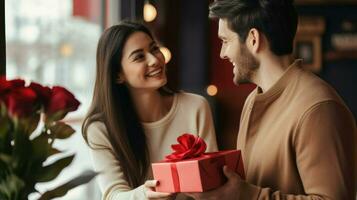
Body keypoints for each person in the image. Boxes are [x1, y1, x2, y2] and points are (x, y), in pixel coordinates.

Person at [187, 0, 357, 199]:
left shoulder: (318, 108)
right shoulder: (252, 100)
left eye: (225, 41)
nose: (223, 53)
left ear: (253, 39)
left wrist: (248, 196)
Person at [82, 21, 218, 200]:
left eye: (154, 49)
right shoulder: (100, 128)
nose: (155, 60)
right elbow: (113, 195)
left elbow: (213, 182)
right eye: (139, 57)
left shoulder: (196, 107)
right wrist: (146, 194)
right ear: (117, 74)